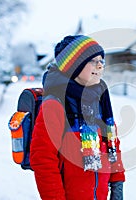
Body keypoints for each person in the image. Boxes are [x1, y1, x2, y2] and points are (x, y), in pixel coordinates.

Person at [30, 35, 125, 200]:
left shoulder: (100, 99)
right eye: (93, 60)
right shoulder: (55, 104)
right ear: (73, 66)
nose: (100, 65)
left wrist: (117, 185)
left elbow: (112, 145)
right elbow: (43, 160)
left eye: (102, 60)